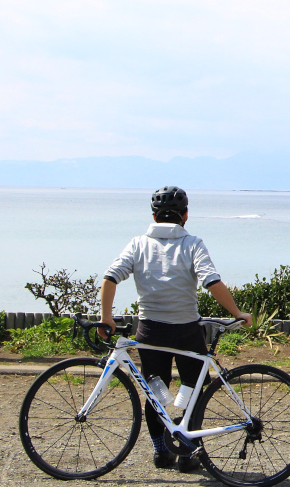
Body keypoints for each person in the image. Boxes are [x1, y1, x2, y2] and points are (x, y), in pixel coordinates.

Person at [99, 186, 252, 472]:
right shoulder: (193, 243)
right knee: (193, 390)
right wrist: (237, 312)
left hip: (150, 331)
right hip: (186, 331)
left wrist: (106, 317)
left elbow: (110, 278)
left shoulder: (137, 244)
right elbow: (212, 282)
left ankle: (160, 451)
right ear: (185, 216)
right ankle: (187, 453)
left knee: (154, 392)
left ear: (153, 216)